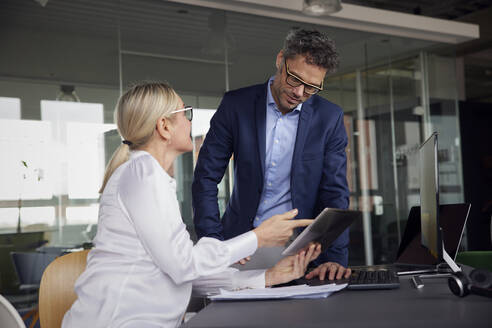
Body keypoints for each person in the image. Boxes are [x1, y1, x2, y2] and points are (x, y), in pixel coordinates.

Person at [62, 82, 320, 328]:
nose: (189, 121)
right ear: (164, 126)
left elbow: (179, 270)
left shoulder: (149, 176)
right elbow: (184, 265)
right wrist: (258, 237)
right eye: (185, 113)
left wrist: (266, 277)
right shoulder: (143, 175)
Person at [192, 28, 352, 281]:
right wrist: (214, 242)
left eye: (311, 87)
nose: (299, 93)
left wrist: (334, 258)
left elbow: (335, 194)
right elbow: (205, 177)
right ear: (280, 60)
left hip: (298, 251)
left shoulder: (329, 118)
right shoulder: (237, 105)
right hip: (240, 244)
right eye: (294, 79)